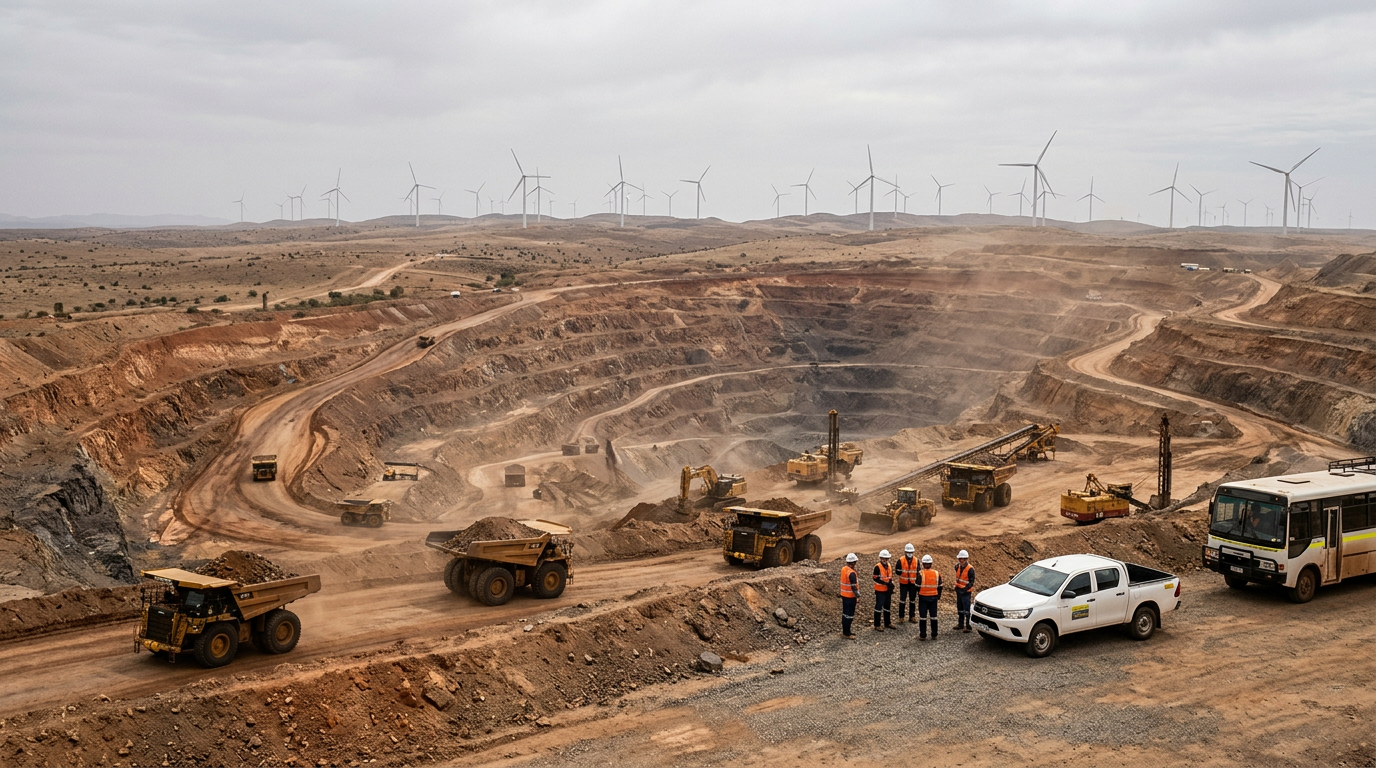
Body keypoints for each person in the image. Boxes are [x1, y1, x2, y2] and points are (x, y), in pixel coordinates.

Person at [917, 554, 943, 640]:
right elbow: (940, 585)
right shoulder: (936, 573)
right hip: (933, 598)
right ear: (931, 564)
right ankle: (934, 634)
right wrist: (938, 595)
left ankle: (923, 635)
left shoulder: (920, 573)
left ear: (923, 564)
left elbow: (916, 586)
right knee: (934, 617)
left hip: (923, 598)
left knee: (923, 617)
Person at [895, 543, 920, 623]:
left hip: (912, 584)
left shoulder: (916, 560)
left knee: (912, 600)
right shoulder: (901, 560)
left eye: (911, 552)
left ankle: (912, 616)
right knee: (902, 600)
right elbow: (897, 571)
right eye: (908, 552)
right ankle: (901, 617)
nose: (909, 554)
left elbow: (918, 572)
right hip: (903, 584)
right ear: (905, 552)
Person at [953, 549, 975, 633]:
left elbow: (971, 582)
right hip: (959, 591)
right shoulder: (957, 567)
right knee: (960, 608)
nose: (961, 560)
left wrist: (964, 589)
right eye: (960, 559)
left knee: (966, 609)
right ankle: (961, 624)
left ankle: (968, 626)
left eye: (963, 559)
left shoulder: (970, 569)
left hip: (966, 593)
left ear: (966, 559)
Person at [872, 549, 894, 631]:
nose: (885, 560)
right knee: (879, 607)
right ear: (880, 558)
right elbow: (875, 578)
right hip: (880, 590)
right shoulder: (877, 567)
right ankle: (877, 625)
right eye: (884, 558)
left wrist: (890, 584)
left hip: (887, 590)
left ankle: (887, 622)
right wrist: (885, 583)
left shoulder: (889, 566)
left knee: (887, 607)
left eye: (887, 558)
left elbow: (889, 577)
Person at [840, 553, 860, 639]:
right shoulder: (851, 573)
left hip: (844, 596)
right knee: (849, 615)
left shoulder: (844, 569)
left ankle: (846, 631)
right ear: (853, 562)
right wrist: (858, 596)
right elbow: (853, 587)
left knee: (845, 615)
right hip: (850, 597)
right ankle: (847, 634)